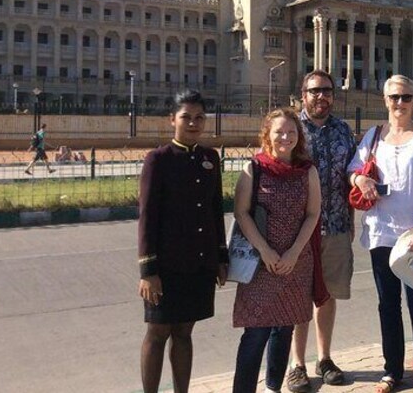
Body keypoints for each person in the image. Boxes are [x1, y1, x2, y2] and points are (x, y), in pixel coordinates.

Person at [348, 75, 413, 393]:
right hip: (382, 234)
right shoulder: (374, 136)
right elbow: (354, 170)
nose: (400, 103)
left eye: (406, 97)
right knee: (387, 305)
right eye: (394, 97)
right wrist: (358, 181)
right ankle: (393, 371)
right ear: (384, 100)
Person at [137, 89, 228, 393]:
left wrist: (221, 258)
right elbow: (147, 216)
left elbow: (216, 210)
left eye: (199, 117)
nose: (193, 123)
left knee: (185, 333)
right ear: (171, 120)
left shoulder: (210, 158)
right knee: (157, 332)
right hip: (167, 266)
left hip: (199, 262)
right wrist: (148, 272)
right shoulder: (158, 160)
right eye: (186, 117)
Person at [232, 108, 323, 393]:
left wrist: (294, 252)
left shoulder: (307, 171)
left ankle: (274, 386)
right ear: (267, 135)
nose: (285, 137)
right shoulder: (254, 168)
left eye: (291, 132)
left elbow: (313, 214)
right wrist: (266, 251)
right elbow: (242, 213)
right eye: (279, 132)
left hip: (296, 263)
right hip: (262, 263)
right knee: (256, 332)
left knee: (284, 328)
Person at [287, 70, 356, 392]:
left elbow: (352, 175)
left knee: (326, 295)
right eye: (314, 91)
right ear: (303, 95)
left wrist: (353, 219)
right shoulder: (291, 130)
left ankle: (325, 357)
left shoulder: (343, 131)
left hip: (338, 224)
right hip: (298, 231)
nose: (321, 97)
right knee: (299, 295)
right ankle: (297, 364)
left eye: (326, 91)